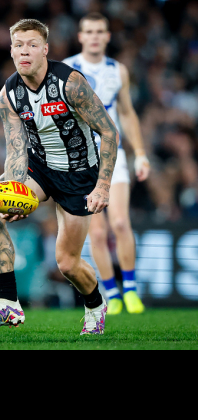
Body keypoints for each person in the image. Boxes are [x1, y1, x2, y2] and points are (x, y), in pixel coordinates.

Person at [0, 18, 119, 335]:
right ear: (11, 51)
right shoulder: (8, 95)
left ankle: (95, 305)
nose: (25, 51)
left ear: (45, 50)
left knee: (67, 264)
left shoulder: (70, 84)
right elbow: (15, 150)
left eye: (32, 45)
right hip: (39, 166)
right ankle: (8, 303)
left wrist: (103, 186)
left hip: (79, 174)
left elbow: (109, 132)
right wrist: (12, 190)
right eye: (18, 45)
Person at [64, 13, 150, 315]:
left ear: (108, 36)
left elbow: (127, 113)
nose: (95, 36)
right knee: (97, 233)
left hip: (114, 155)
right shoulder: (67, 70)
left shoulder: (118, 70)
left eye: (100, 31)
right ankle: (112, 293)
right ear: (80, 36)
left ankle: (131, 289)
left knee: (121, 223)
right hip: (83, 158)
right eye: (89, 31)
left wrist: (140, 152)